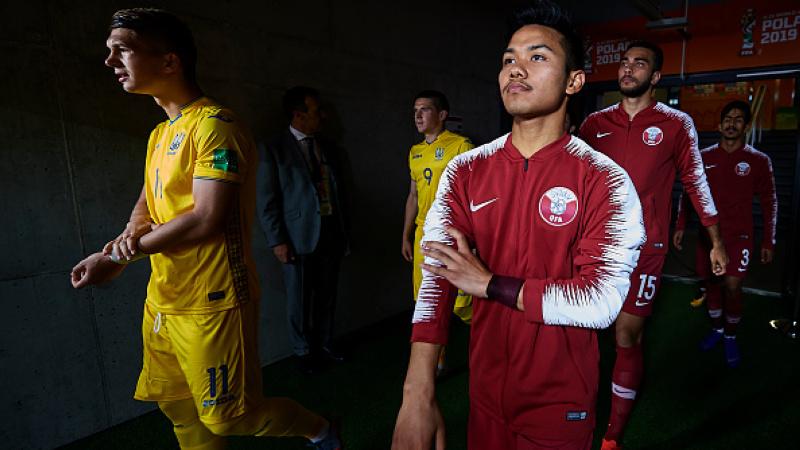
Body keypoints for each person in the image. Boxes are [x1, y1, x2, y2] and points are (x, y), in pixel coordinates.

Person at [70, 9, 341, 450]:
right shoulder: (160, 134)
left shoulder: (217, 125)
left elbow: (205, 216)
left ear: (169, 62)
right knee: (176, 405)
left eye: (121, 50)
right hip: (163, 298)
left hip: (212, 302)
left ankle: (319, 428)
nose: (108, 61)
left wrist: (121, 256)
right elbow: (147, 201)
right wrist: (120, 244)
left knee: (232, 418)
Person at [392, 2, 646, 448]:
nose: (516, 69)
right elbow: (437, 274)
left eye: (537, 57)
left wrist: (490, 284)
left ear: (574, 81)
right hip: (485, 393)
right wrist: (417, 392)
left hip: (560, 403)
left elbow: (601, 300)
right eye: (509, 59)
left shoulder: (605, 179)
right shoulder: (465, 169)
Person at [579, 41, 728, 450]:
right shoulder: (593, 123)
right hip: (594, 245)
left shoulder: (676, 123)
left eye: (638, 64)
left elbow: (696, 180)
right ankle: (577, 415)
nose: (628, 69)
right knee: (584, 334)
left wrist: (714, 239)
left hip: (647, 247)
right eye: (624, 63)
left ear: (656, 77)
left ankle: (613, 436)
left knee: (627, 335)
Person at [673, 100, 777, 368]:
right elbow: (688, 194)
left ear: (746, 126)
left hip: (740, 237)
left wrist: (768, 240)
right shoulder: (703, 158)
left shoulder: (758, 161)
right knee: (710, 284)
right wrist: (681, 224)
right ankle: (718, 329)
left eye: (739, 119)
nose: (732, 123)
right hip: (707, 238)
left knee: (732, 286)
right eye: (728, 118)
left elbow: (769, 202)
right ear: (719, 125)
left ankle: (730, 334)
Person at [257, 86, 348, 375]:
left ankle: (325, 343)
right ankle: (302, 350)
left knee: (327, 293)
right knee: (298, 297)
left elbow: (340, 190)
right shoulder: (273, 148)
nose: (321, 116)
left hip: (330, 230)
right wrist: (277, 240)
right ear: (298, 115)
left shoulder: (328, 146)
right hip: (295, 237)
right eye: (315, 111)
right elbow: (266, 199)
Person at [401, 90, 474, 375]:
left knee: (460, 303)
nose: (418, 115)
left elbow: (473, 195)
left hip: (450, 236)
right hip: (423, 238)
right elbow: (413, 196)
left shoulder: (461, 146)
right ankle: (438, 360)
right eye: (415, 110)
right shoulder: (415, 152)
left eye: (425, 109)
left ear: (442, 115)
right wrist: (406, 235)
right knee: (426, 301)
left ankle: (495, 342)